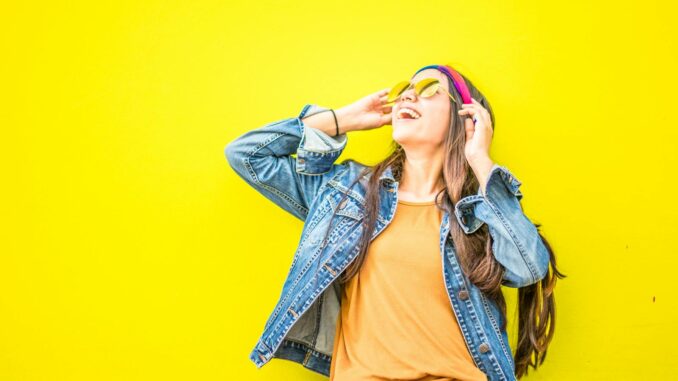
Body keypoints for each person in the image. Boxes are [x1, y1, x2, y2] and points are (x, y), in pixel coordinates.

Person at [225, 64, 566, 381]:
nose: (407, 95)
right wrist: (342, 119)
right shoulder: (346, 193)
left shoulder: (477, 213)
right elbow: (246, 154)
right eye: (405, 89)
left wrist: (480, 159)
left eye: (430, 89)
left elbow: (528, 268)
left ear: (466, 119)